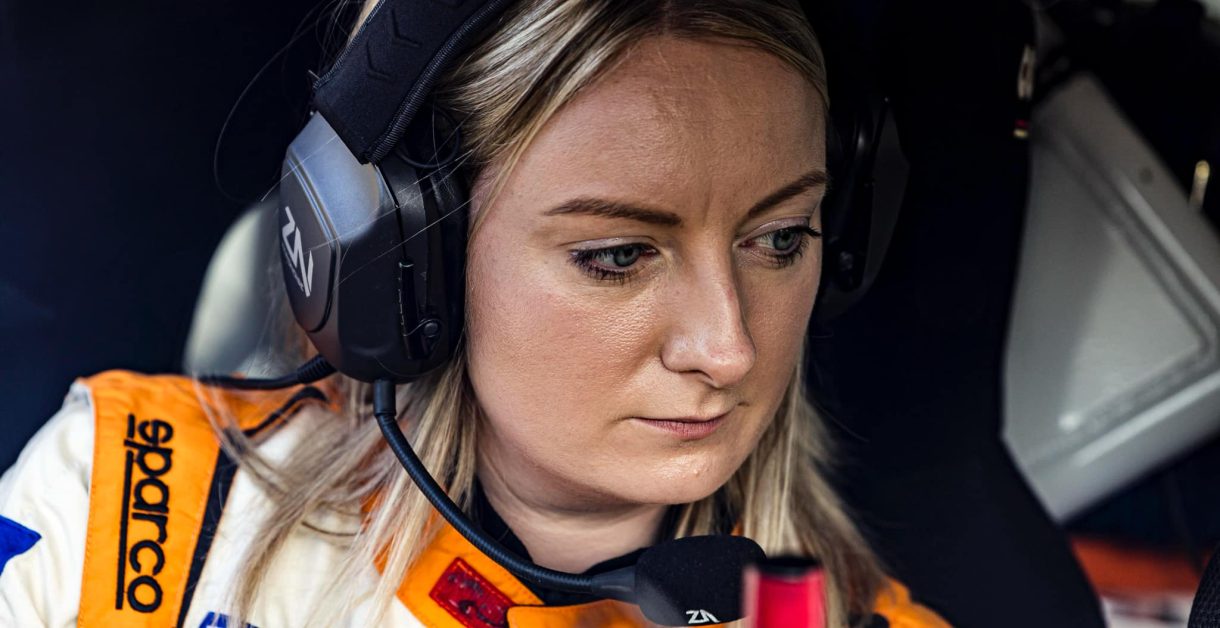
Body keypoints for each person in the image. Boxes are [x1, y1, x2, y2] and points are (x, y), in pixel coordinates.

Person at [0, 1, 948, 626]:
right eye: (618, 256)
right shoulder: (123, 500)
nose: (728, 348)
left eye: (779, 239)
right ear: (412, 262)